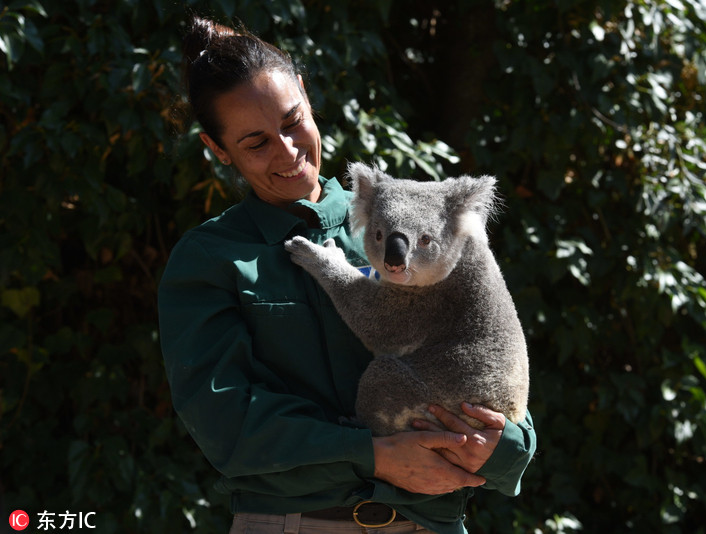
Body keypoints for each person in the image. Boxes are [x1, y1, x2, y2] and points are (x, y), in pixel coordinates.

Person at [158, 15, 536, 534]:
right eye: (256, 142)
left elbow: (491, 344)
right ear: (217, 149)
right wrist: (373, 455)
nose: (289, 153)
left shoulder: (409, 218)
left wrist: (505, 448)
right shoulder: (210, 259)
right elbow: (226, 423)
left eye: (293, 122)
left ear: (309, 99)